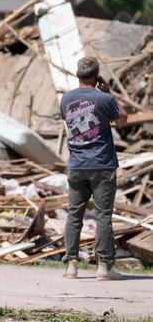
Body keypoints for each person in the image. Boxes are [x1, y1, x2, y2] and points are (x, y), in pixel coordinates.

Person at [60, 56, 128, 280]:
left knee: (74, 215)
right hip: (102, 165)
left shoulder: (66, 99)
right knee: (103, 216)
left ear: (77, 74)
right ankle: (104, 267)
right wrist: (109, 93)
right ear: (96, 76)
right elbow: (123, 120)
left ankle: (71, 266)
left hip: (77, 165)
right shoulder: (104, 98)